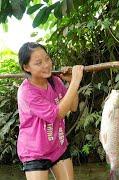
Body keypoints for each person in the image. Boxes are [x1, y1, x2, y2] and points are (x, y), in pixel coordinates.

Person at [17, 42, 84, 180]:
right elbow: (57, 114)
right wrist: (76, 80)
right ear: (26, 67)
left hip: (57, 146)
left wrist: (71, 82)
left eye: (47, 59)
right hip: (34, 151)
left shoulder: (55, 81)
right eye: (38, 63)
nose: (46, 65)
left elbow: (73, 106)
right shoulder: (27, 92)